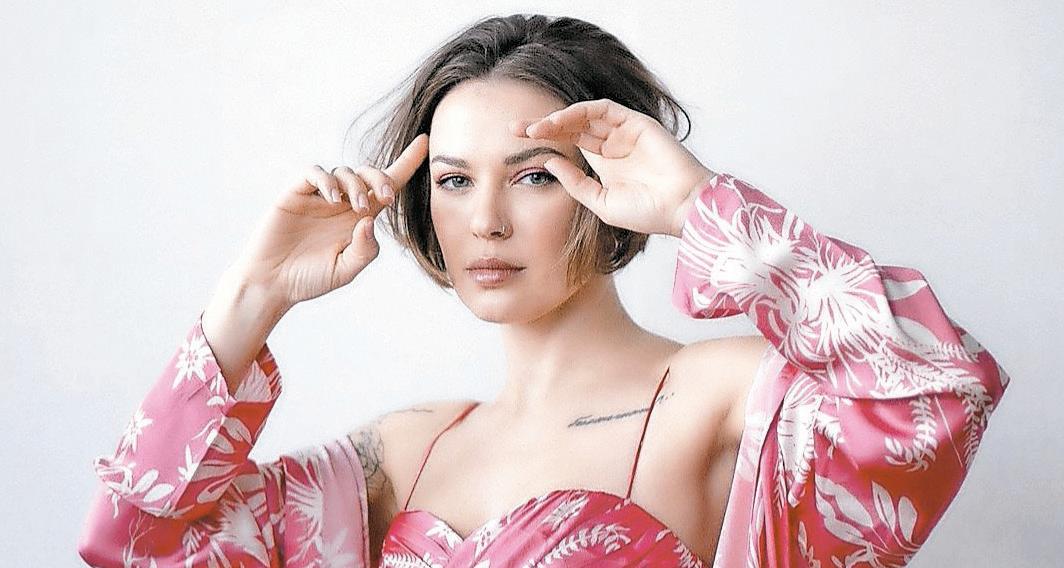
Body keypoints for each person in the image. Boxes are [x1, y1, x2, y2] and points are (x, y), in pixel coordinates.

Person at [76, 13, 1009, 568]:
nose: (484, 221)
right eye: (452, 180)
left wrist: (698, 205)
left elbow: (939, 393)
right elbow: (136, 545)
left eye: (531, 177)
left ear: (605, 182)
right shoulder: (401, 451)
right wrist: (253, 297)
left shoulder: (721, 395)